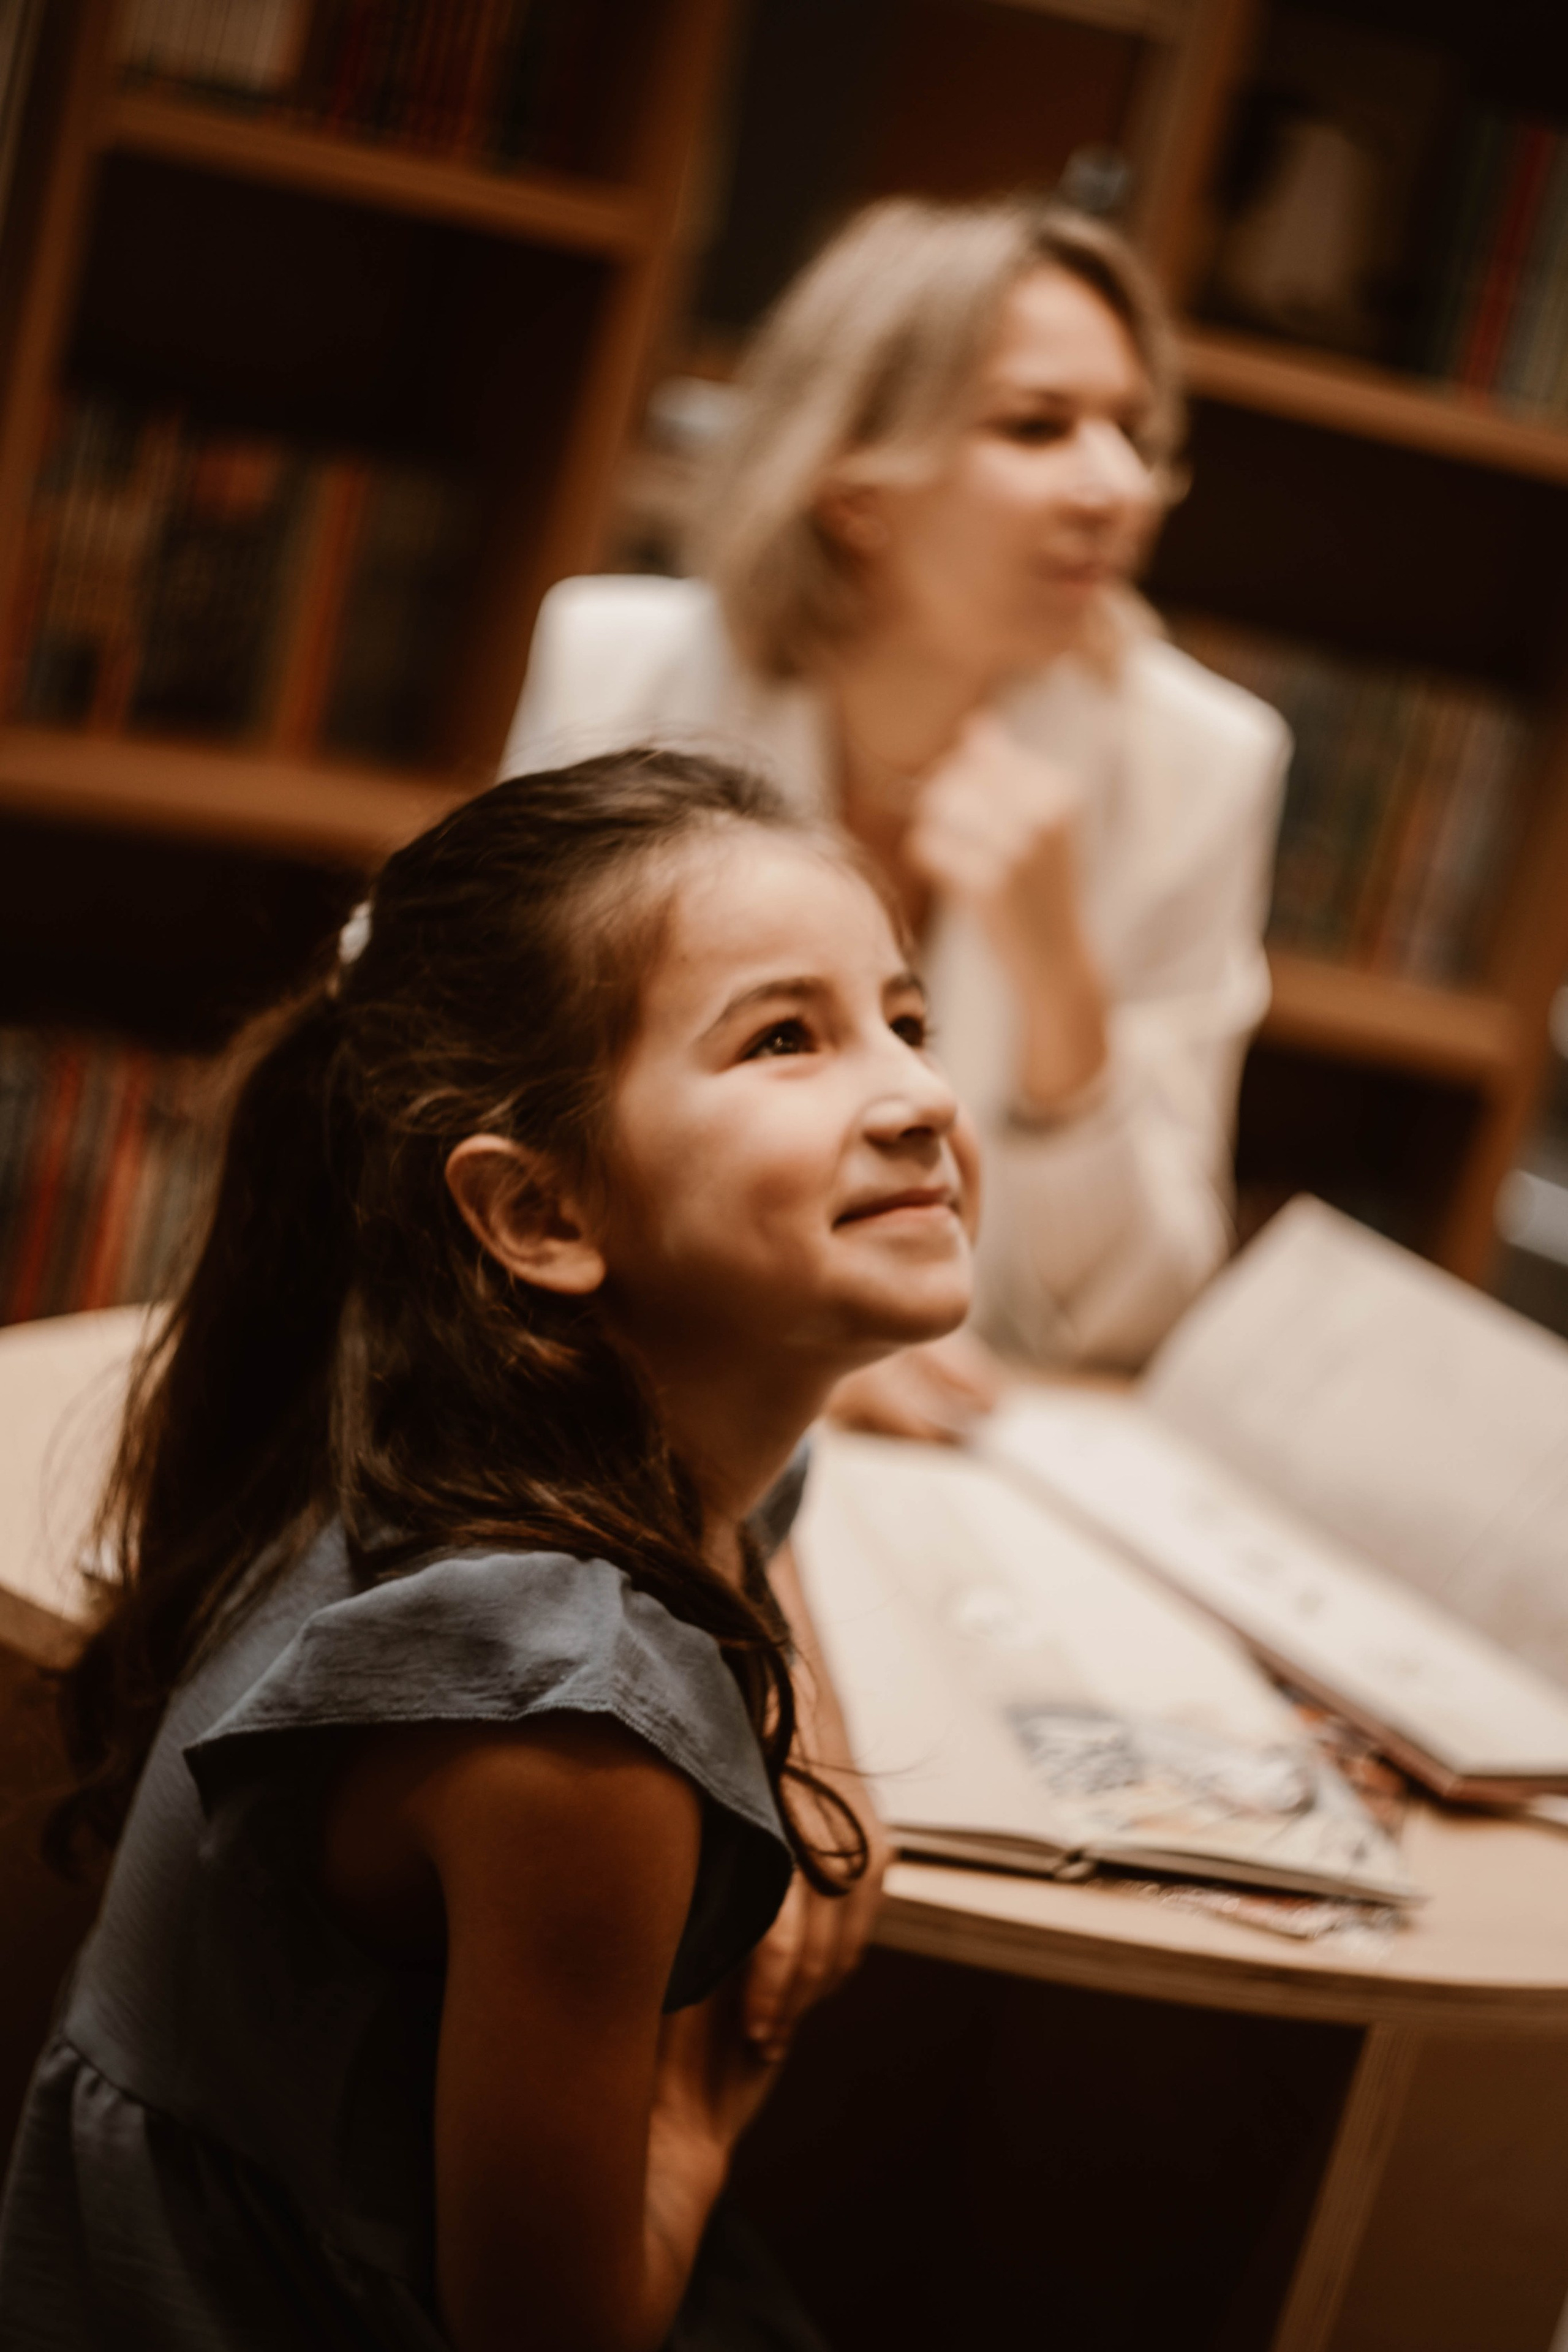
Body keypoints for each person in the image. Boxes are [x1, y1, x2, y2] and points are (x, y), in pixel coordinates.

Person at [0, 750, 976, 2351]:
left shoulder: (466, 1406)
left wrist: (817, 1759)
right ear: (539, 1214)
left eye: (909, 1020)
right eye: (787, 1038)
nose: (922, 1095)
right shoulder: (571, 1731)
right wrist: (707, 2087)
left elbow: (757, 1519)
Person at [504, 196, 1291, 1434]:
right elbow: (456, 1116)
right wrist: (794, 1356)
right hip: (617, 1408)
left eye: (1132, 432)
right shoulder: (624, 672)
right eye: (1038, 427)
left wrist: (1058, 984)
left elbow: (1130, 1309)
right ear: (853, 486)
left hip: (972, 1451)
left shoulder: (1204, 764)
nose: (1117, 484)